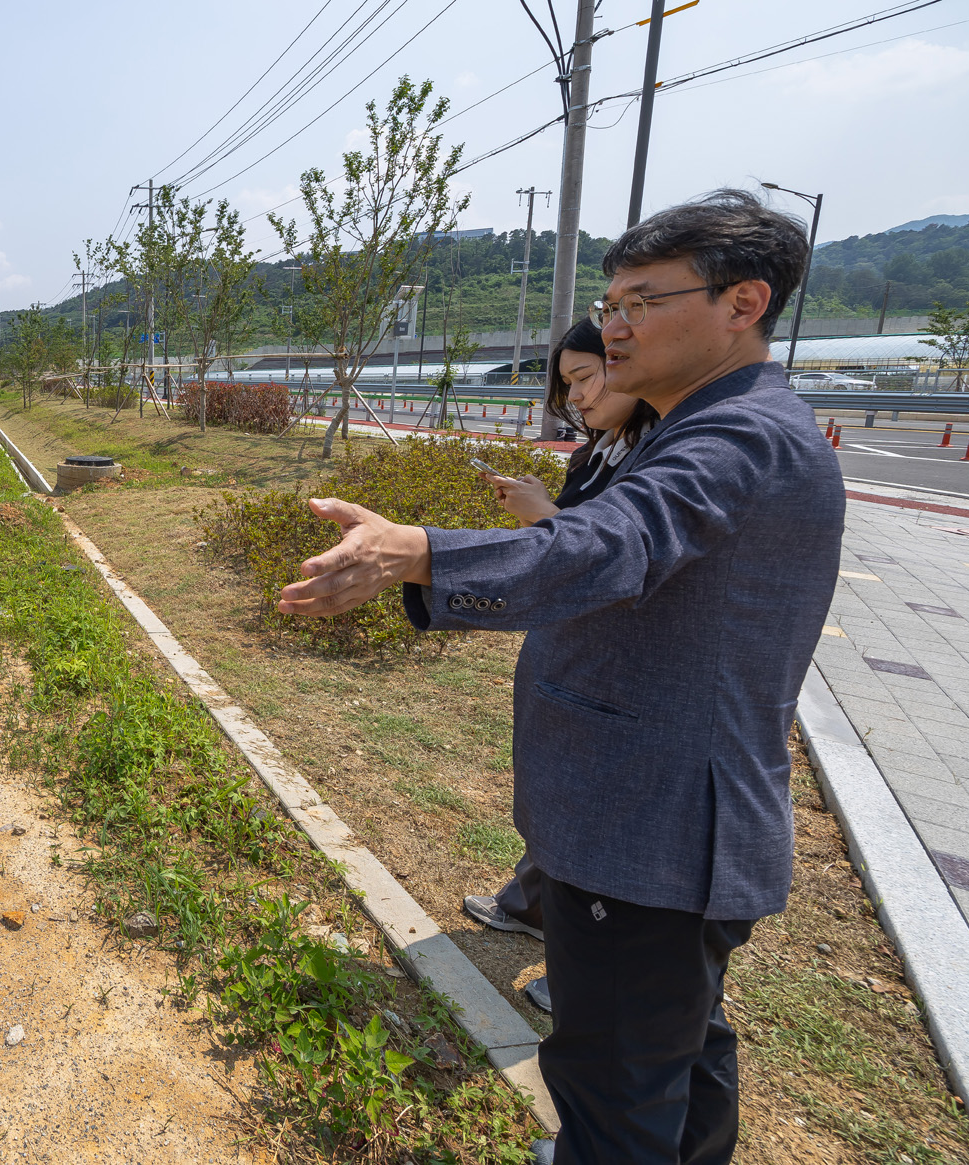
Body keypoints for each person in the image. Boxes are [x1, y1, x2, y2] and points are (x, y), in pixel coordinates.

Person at [276, 190, 841, 1164]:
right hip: (654, 821)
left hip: (650, 831)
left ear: (741, 303)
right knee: (679, 1048)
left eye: (641, 302)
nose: (612, 326)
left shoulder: (738, 436)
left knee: (612, 1088)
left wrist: (419, 552)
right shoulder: (700, 423)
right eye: (609, 303)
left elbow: (607, 544)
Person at [461, 319, 659, 1017]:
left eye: (585, 377)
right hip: (570, 653)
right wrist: (542, 507)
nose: (575, 396)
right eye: (567, 383)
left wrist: (543, 513)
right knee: (559, 789)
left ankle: (584, 973)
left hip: (613, 667)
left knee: (594, 813)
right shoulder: (602, 448)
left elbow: (604, 557)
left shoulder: (660, 454)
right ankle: (531, 907)